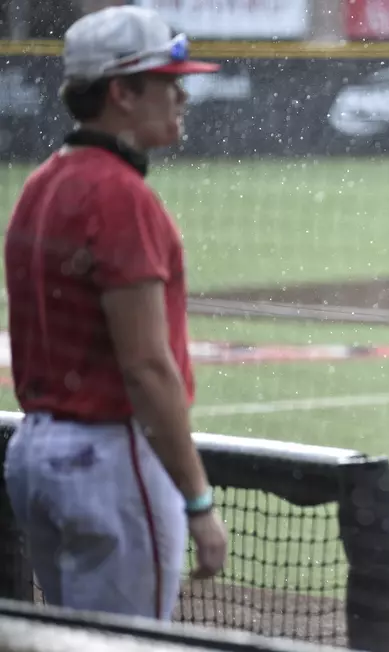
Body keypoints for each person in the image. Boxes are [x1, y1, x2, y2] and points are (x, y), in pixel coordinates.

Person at [2, 5, 228, 620]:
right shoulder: (122, 196)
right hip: (112, 460)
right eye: (167, 80)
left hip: (36, 454)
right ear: (122, 92)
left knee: (67, 637)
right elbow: (147, 368)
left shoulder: (41, 183)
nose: (182, 94)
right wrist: (198, 502)